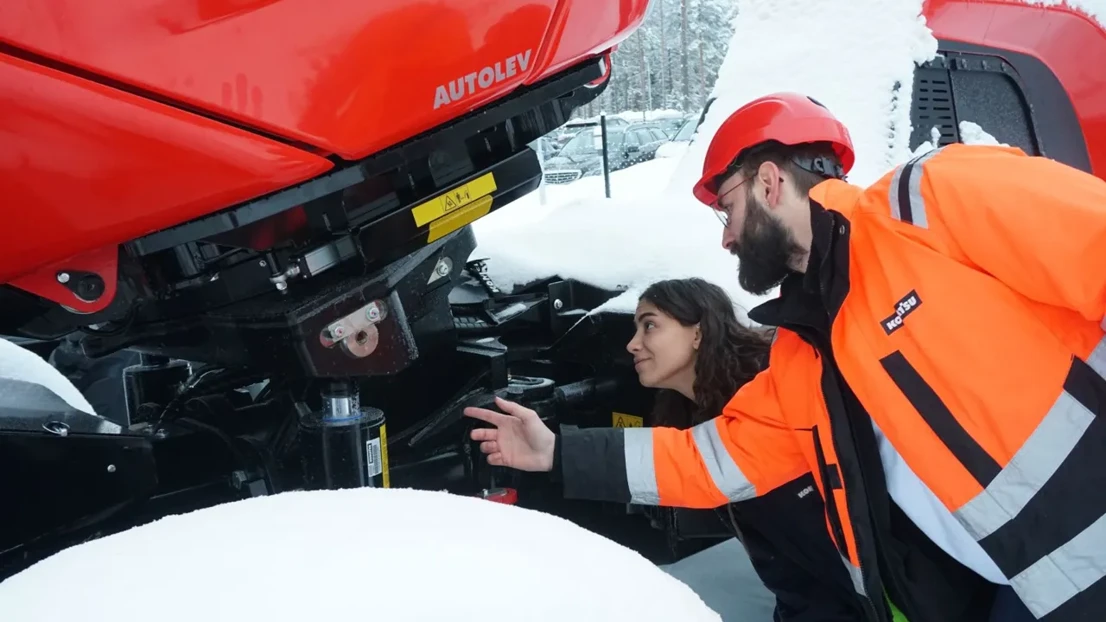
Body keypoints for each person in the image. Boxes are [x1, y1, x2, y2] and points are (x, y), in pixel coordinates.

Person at [465, 92, 1106, 621]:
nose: (726, 238)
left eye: (728, 209)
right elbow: (713, 459)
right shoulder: (804, 352)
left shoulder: (931, 200)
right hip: (1024, 593)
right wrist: (559, 453)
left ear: (770, 181)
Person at [628, 277, 866, 621]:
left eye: (649, 325)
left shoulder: (771, 397)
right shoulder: (693, 417)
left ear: (698, 332)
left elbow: (824, 548)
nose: (632, 344)